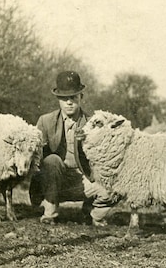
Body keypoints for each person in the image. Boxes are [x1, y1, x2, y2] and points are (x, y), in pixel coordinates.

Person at [29, 70, 113, 226]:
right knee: (52, 160)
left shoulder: (93, 123)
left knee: (110, 187)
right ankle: (50, 213)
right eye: (64, 98)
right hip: (54, 181)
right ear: (58, 100)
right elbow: (36, 157)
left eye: (73, 97)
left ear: (81, 97)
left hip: (83, 180)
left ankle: (91, 213)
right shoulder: (45, 121)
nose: (69, 102)